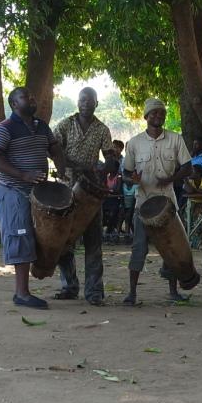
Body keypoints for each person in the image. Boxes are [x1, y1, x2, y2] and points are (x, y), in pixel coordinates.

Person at [0, 87, 67, 310]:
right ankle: (21, 293)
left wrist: (60, 166)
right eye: (25, 96)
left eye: (32, 95)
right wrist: (23, 174)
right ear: (14, 104)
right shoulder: (5, 128)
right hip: (12, 190)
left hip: (35, 194)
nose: (32, 98)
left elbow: (54, 148)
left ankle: (27, 288)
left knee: (36, 237)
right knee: (20, 236)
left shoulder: (41, 125)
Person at [122, 97, 192, 305]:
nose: (158, 116)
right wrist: (132, 179)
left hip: (168, 205)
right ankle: (132, 293)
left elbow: (188, 167)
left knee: (172, 249)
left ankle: (173, 292)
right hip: (142, 205)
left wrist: (171, 179)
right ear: (145, 116)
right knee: (139, 249)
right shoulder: (134, 143)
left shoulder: (176, 139)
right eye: (153, 113)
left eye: (161, 113)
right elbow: (126, 173)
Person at [53, 87, 114, 306]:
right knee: (63, 241)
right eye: (82, 99)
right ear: (77, 102)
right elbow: (53, 149)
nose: (85, 103)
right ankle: (69, 286)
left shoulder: (102, 129)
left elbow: (109, 157)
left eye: (90, 100)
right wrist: (74, 166)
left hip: (91, 192)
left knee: (93, 241)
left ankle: (94, 291)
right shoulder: (65, 125)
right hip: (67, 190)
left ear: (97, 103)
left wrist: (105, 168)